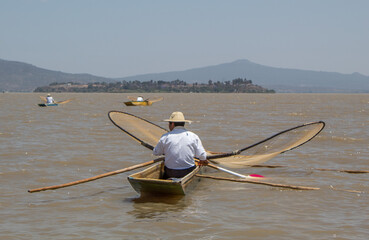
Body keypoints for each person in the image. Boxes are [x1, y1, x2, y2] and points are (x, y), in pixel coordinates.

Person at [153, 112, 208, 179]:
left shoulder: (165, 137)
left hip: (170, 172)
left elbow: (156, 152)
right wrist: (202, 160)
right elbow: (202, 155)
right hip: (188, 171)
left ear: (172, 124)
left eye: (169, 123)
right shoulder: (193, 136)